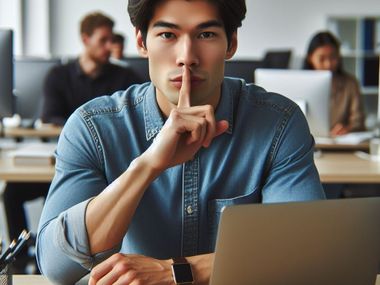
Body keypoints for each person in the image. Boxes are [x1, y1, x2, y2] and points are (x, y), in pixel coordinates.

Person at [36, 0, 325, 284]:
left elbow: (305, 251)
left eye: (206, 34)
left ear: (231, 43)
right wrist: (148, 165)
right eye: (167, 35)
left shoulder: (278, 123)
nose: (187, 56)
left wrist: (178, 271)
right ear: (141, 42)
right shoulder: (92, 127)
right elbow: (56, 267)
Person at [41, 12, 140, 126]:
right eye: (103, 40)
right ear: (85, 40)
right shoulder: (58, 76)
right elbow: (49, 118)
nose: (109, 46)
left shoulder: (126, 76)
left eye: (111, 40)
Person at [303, 31, 365, 136]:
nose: (328, 64)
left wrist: (348, 128)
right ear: (310, 58)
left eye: (333, 57)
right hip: (307, 142)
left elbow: (359, 121)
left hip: (340, 143)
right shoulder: (300, 82)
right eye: (322, 58)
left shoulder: (350, 83)